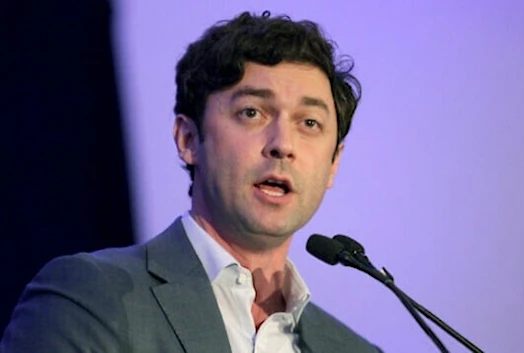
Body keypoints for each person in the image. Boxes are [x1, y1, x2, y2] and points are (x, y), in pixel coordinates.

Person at [0, 11, 382, 353]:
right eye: (252, 112)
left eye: (309, 123)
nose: (283, 144)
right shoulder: (90, 297)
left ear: (333, 163)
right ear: (188, 139)